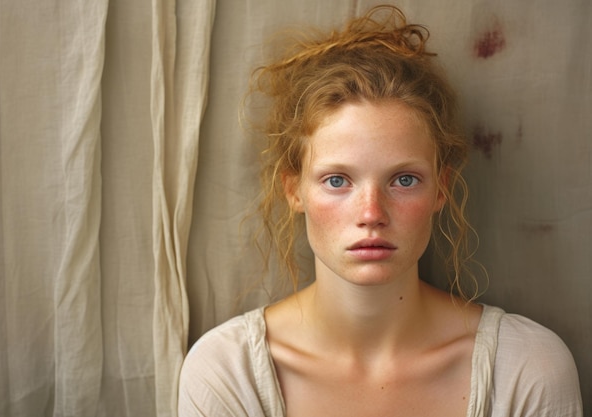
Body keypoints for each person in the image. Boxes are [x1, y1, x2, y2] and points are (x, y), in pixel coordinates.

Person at [178, 5, 583, 416]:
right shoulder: (227, 372)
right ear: (293, 191)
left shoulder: (527, 369)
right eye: (337, 181)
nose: (372, 213)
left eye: (403, 180)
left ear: (441, 189)